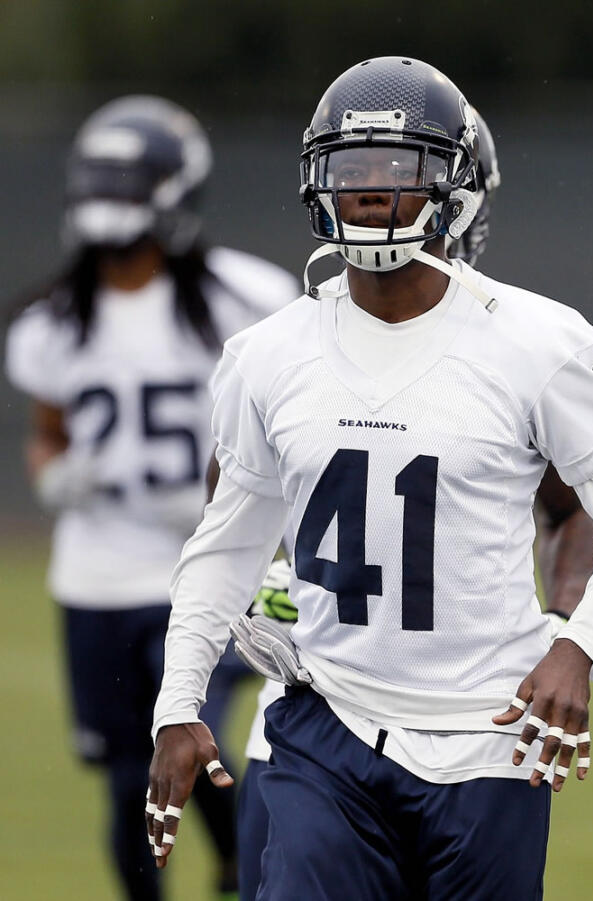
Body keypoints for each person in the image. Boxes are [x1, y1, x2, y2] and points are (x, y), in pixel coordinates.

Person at [145, 57, 593, 901]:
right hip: (325, 719)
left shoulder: (538, 343)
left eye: (399, 168)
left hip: (488, 732)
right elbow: (223, 547)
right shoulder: (267, 354)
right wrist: (179, 703)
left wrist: (580, 646)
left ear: (456, 185)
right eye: (350, 168)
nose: (368, 190)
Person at [4, 96, 298, 900]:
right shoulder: (52, 321)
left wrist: (240, 498)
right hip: (98, 572)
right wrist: (55, 476)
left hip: (208, 567)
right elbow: (48, 432)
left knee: (198, 743)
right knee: (127, 771)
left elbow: (290, 415)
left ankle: (245, 871)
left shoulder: (247, 296)